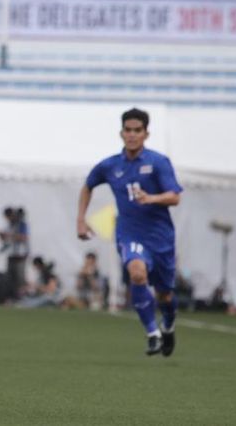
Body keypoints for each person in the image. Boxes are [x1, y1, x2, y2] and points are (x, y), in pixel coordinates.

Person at [77, 107, 183, 357]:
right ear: (121, 133)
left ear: (146, 134)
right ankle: (152, 333)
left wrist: (152, 198)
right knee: (136, 273)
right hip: (129, 232)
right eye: (128, 130)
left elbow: (174, 197)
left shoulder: (158, 162)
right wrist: (81, 220)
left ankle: (168, 326)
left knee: (165, 294)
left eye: (138, 130)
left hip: (160, 236)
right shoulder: (110, 165)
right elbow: (87, 186)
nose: (132, 135)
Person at [0, 206, 29, 301]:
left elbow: (24, 237)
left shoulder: (22, 224)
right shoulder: (9, 226)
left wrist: (10, 235)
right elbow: (7, 240)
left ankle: (23, 298)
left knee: (20, 277)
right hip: (11, 254)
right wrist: (2, 236)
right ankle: (12, 297)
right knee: (10, 278)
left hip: (20, 255)